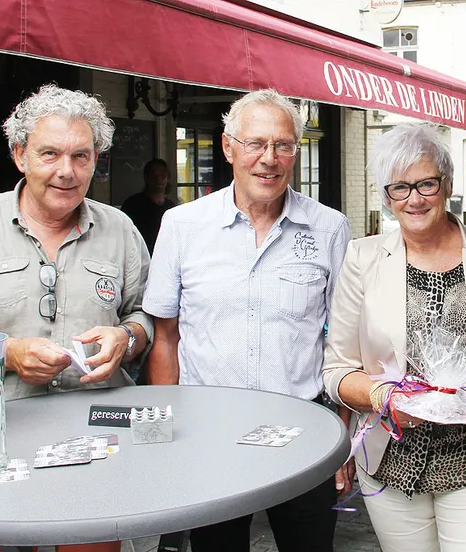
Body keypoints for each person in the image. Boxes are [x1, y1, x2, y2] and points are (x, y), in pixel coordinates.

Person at [0, 84, 153, 552]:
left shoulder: (121, 230)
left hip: (98, 443)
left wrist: (126, 337)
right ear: (19, 155)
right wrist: (5, 353)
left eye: (81, 156)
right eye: (49, 154)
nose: (66, 172)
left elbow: (146, 315)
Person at [323, 123, 466, 551]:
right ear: (385, 194)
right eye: (399, 188)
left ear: (446, 184)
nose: (414, 198)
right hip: (392, 460)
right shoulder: (363, 257)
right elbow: (337, 371)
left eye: (426, 183)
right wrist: (384, 398)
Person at [142, 89, 352, 552]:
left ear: (297, 151)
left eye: (283, 145)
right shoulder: (181, 226)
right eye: (255, 143)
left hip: (306, 433)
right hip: (208, 436)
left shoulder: (329, 227)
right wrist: (164, 439)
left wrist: (342, 438)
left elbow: (344, 341)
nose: (269, 159)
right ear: (228, 147)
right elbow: (165, 338)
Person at [121, 158, 176, 254]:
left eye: (163, 174)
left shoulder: (171, 208)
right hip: (138, 257)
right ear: (146, 177)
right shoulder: (132, 205)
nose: (159, 178)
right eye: (155, 174)